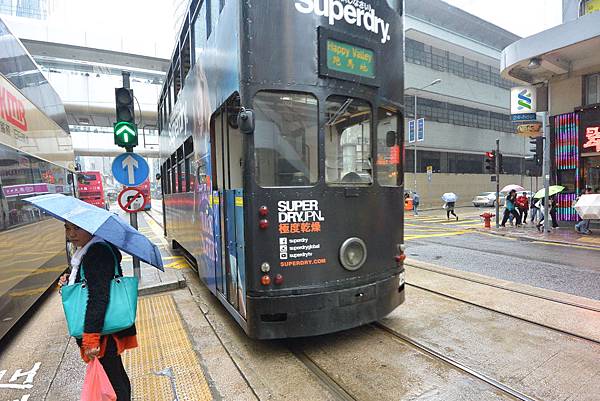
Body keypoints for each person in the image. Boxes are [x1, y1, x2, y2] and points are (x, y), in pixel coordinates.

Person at [59, 222, 137, 400]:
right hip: (105, 327)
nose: (71, 234)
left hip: (103, 330)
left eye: (77, 228)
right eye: (67, 228)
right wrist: (70, 280)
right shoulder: (92, 248)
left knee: (113, 380)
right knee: (115, 374)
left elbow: (98, 296)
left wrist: (91, 338)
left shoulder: (97, 252)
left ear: (91, 227)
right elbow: (93, 281)